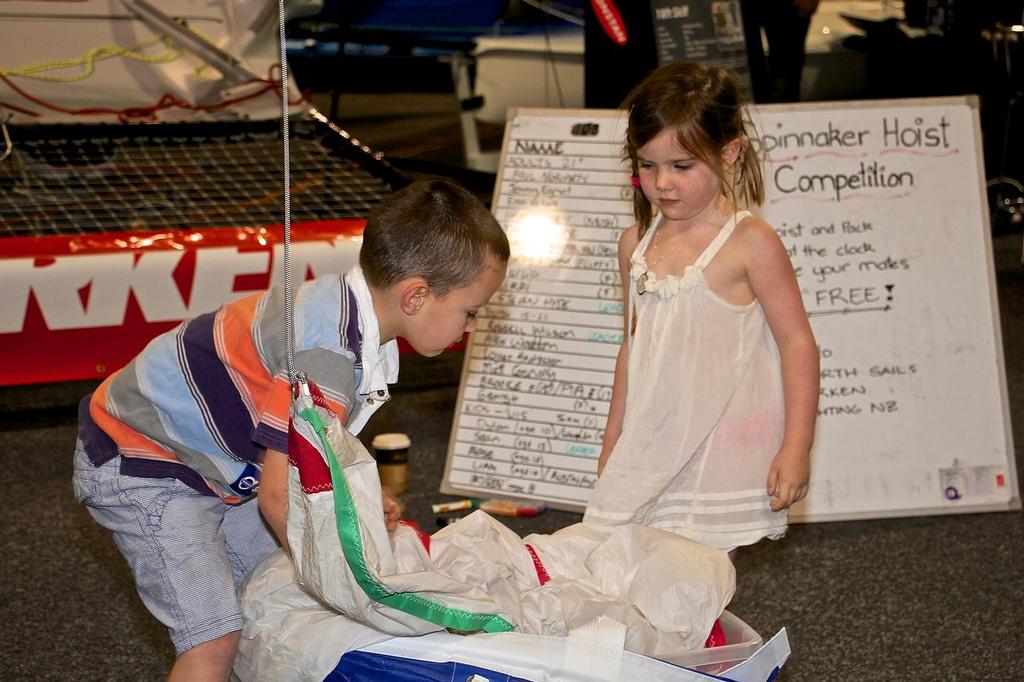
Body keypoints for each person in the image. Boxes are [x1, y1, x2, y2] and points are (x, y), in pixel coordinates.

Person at [72, 179, 510, 682]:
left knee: (264, 593)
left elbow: (315, 446)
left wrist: (353, 500)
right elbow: (279, 500)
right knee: (213, 635)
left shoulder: (350, 316)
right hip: (143, 461)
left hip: (211, 461)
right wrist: (347, 587)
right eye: (470, 312)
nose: (471, 327)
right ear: (415, 295)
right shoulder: (329, 353)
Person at [583, 61, 819, 555]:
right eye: (648, 165)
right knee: (622, 567)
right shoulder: (634, 245)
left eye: (682, 166)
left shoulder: (750, 242)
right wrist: (613, 439)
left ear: (729, 153)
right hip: (652, 440)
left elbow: (797, 343)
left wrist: (797, 446)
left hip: (720, 447)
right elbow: (633, 347)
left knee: (696, 578)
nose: (663, 183)